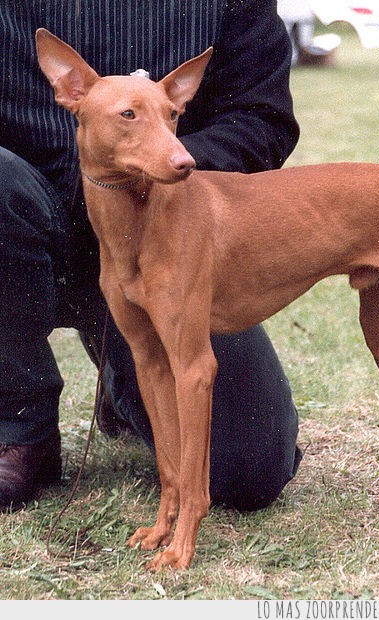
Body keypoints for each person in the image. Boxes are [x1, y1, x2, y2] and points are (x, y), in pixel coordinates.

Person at [0, 1, 302, 512]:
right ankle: (19, 426)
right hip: (24, 222)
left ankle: (126, 375)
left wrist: (156, 166)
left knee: (249, 472)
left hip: (164, 234)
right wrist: (87, 183)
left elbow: (263, 121)